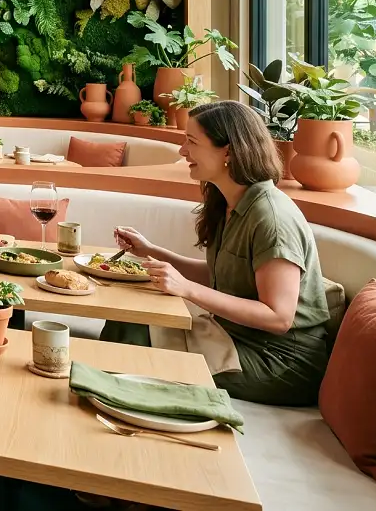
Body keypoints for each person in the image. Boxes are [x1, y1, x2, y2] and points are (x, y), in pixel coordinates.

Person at [101, 100, 330, 406]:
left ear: (228, 152)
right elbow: (222, 275)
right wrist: (151, 251)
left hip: (278, 361)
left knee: (132, 346)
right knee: (127, 320)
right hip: (233, 335)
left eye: (192, 142)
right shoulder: (229, 202)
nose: (183, 151)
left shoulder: (272, 219)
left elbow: (278, 317)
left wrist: (186, 289)